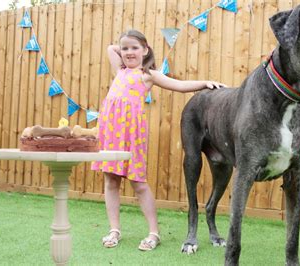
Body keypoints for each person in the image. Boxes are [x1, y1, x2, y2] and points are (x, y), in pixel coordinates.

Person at [91, 29, 224, 251]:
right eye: (125, 49)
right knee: (111, 180)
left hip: (131, 134)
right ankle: (114, 229)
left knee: (138, 183)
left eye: (135, 48)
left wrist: (205, 83)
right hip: (111, 132)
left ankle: (154, 232)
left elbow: (179, 86)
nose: (128, 52)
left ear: (145, 50)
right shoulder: (119, 70)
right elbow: (110, 49)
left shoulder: (148, 74)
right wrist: (125, 47)